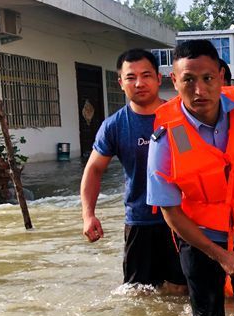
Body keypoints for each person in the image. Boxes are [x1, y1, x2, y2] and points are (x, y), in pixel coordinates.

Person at [147, 40, 234, 316]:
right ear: (174, 80)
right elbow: (169, 210)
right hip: (201, 242)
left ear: (221, 76)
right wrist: (220, 255)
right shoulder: (165, 136)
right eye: (188, 80)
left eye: (207, 78)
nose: (199, 90)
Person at [80, 49, 187, 294]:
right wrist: (88, 215)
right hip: (140, 221)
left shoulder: (181, 115)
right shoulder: (114, 125)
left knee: (182, 292)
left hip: (184, 220)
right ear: (120, 83)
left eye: (146, 75)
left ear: (159, 79)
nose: (139, 83)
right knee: (140, 298)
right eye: (130, 77)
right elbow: (94, 169)